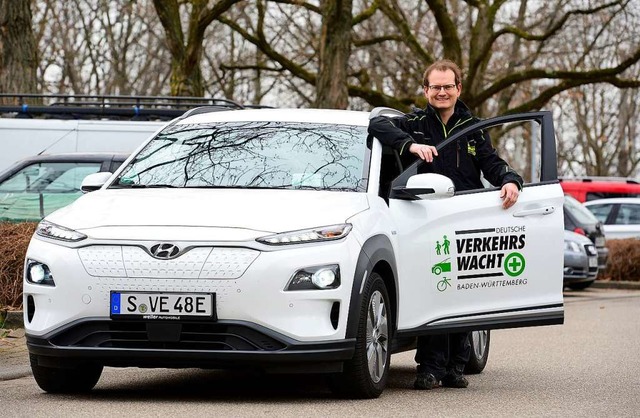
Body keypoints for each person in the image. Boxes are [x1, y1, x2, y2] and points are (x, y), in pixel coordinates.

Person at [368, 59, 524, 390]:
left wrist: (510, 180)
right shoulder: (413, 123)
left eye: (447, 86)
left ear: (458, 89)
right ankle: (430, 367)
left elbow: (492, 164)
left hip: (466, 216)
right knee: (434, 288)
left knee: (463, 291)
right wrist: (409, 145)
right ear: (425, 90)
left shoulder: (473, 127)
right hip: (426, 219)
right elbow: (377, 125)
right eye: (435, 87)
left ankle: (456, 366)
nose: (441, 92)